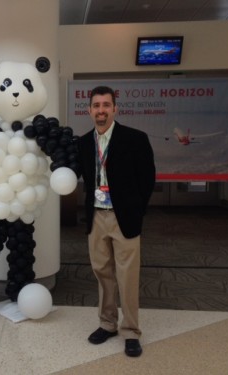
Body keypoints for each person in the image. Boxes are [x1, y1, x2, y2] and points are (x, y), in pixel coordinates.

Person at [77, 86, 156, 357]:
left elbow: (147, 180)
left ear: (115, 109)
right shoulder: (83, 143)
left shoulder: (135, 139)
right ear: (89, 111)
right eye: (96, 106)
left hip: (125, 219)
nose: (101, 110)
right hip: (96, 217)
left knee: (128, 277)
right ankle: (107, 323)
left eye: (106, 105)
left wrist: (136, 210)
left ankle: (131, 331)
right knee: (103, 274)